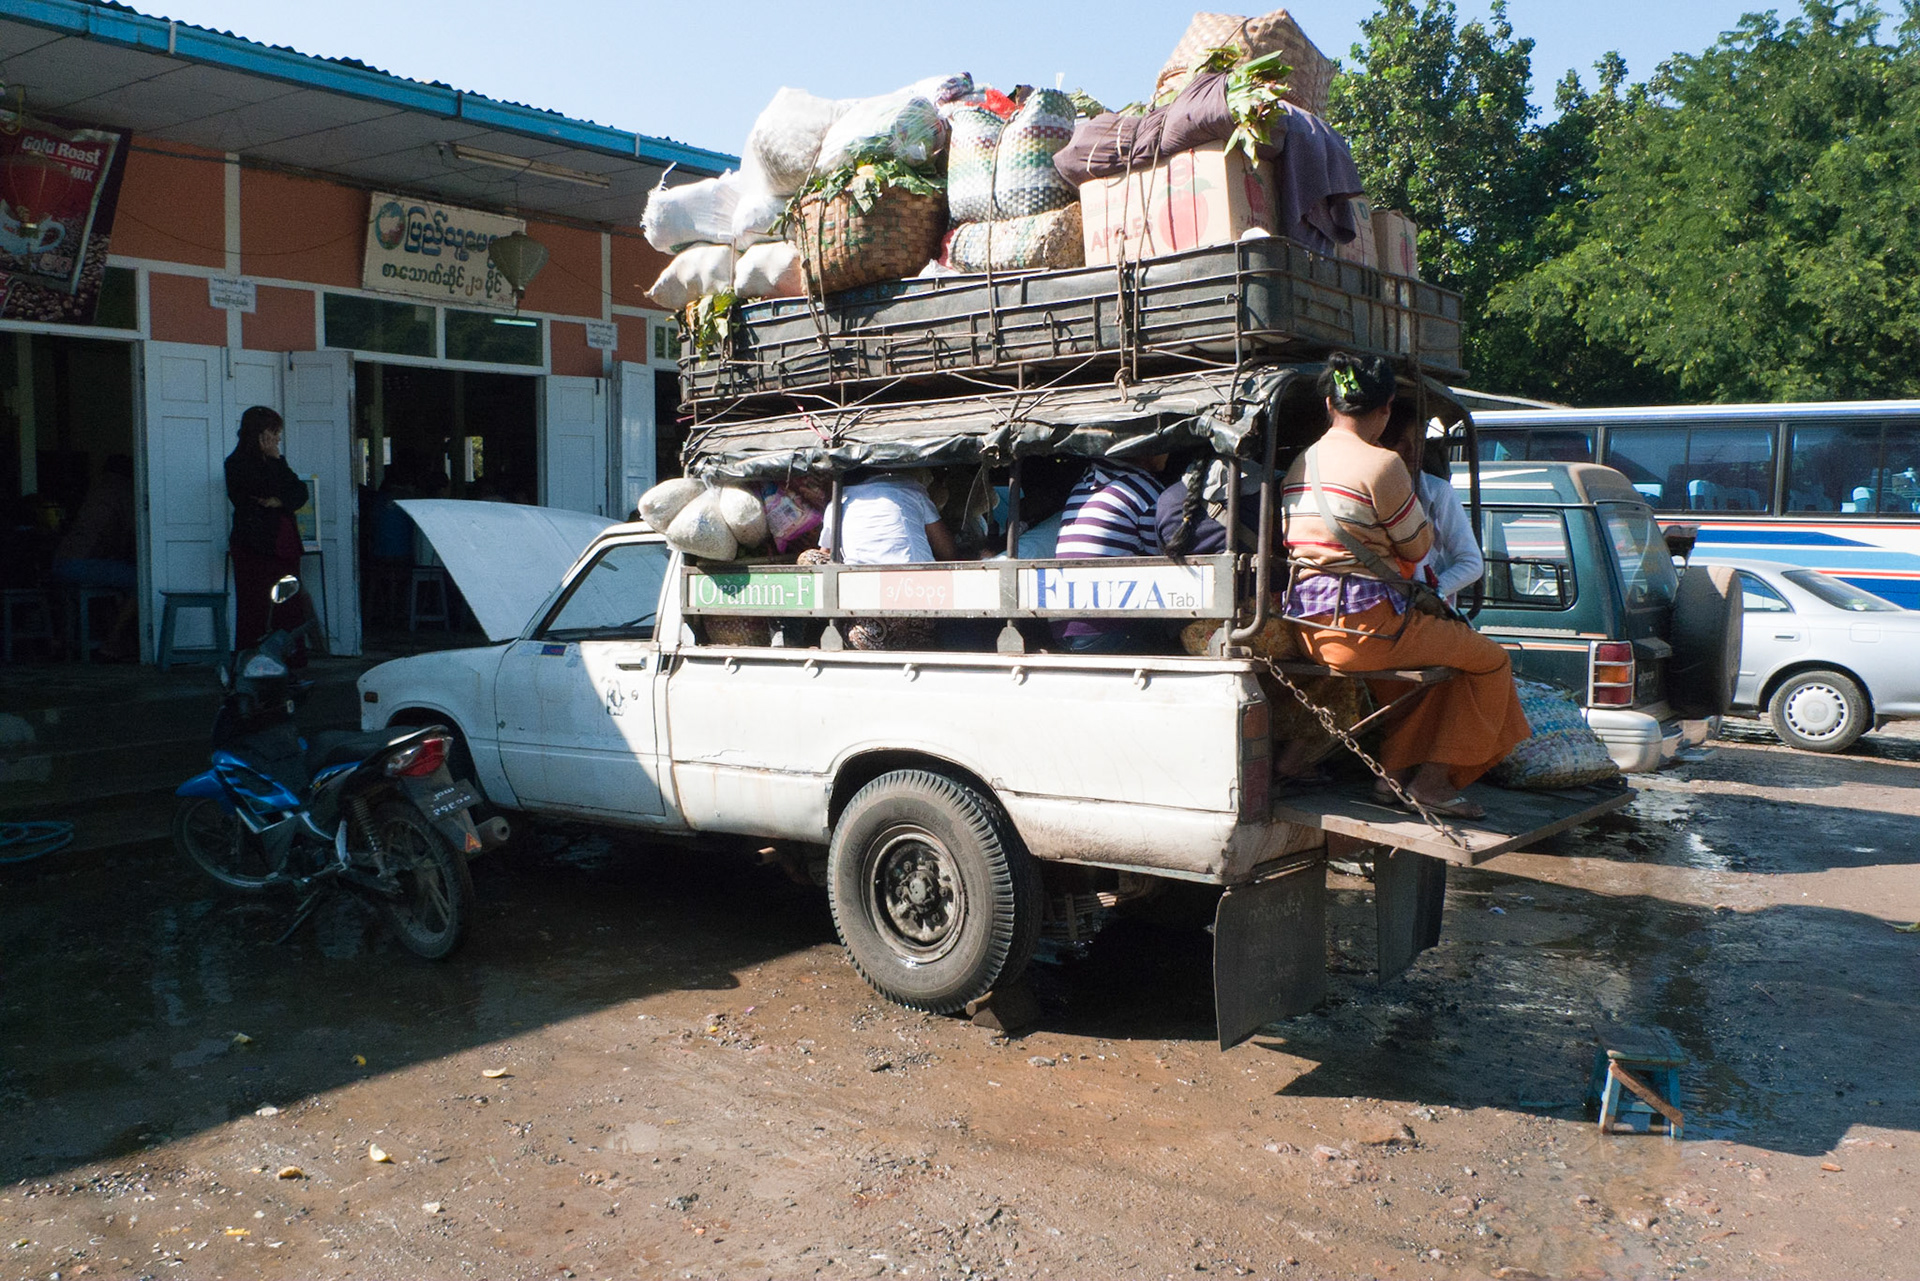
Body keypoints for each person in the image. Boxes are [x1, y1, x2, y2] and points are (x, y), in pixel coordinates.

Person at [1281, 354, 1528, 818]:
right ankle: (1432, 785)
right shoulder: (1382, 464)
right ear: (1386, 408)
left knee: (1437, 680)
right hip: (1368, 631)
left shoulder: (1302, 462)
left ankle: (1389, 777)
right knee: (1493, 663)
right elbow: (1417, 550)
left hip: (1309, 629)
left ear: (1331, 404)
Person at [811, 469, 957, 650]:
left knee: (808, 559)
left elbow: (824, 556)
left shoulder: (838, 502)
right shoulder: (911, 489)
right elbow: (948, 551)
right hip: (922, 609)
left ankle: (817, 639)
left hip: (868, 626)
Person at [1049, 454, 1168, 653]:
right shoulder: (1144, 488)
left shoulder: (1084, 484)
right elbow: (1162, 563)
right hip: (1107, 629)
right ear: (1147, 447)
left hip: (1062, 630)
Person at [225, 405, 310, 649]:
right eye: (273, 432)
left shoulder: (277, 462)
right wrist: (273, 471)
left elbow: (299, 491)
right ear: (260, 434)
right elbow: (256, 491)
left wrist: (280, 501)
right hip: (255, 545)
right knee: (255, 604)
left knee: (289, 602)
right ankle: (251, 661)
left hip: (283, 544)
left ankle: (290, 660)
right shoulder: (236, 463)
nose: (278, 438)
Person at [1385, 403, 1484, 607]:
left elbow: (1472, 563)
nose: (1412, 450)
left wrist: (1431, 592)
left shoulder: (1436, 492)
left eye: (1419, 441)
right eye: (1401, 442)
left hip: (1427, 615)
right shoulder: (1372, 490)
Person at [50, 454, 139, 660]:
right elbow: (134, 531)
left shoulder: (96, 488)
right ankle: (112, 640)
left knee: (111, 584)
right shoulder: (123, 489)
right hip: (81, 564)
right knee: (142, 582)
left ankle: (63, 639)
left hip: (62, 561)